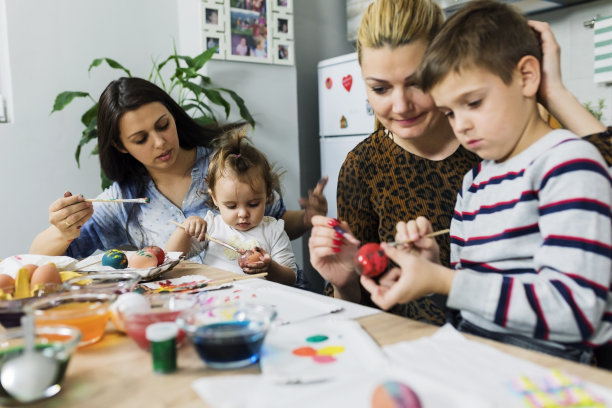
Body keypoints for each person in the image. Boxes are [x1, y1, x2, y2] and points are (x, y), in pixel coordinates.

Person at [309, 0, 611, 326]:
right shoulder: (370, 167)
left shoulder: (503, 147)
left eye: (416, 83)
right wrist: (346, 282)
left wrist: (553, 92)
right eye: (380, 88)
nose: (400, 106)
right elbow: (451, 292)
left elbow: (596, 175)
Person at [30, 77, 327, 262]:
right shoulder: (123, 199)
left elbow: (272, 222)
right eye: (140, 139)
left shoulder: (223, 166)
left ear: (173, 115)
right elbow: (37, 257)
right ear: (121, 147)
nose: (160, 142)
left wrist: (309, 218)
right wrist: (61, 229)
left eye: (163, 125)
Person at [166, 128, 297, 286]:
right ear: (214, 198)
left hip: (260, 303)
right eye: (231, 206)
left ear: (267, 194)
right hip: (217, 300)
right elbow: (172, 256)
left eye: (253, 204)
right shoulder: (212, 226)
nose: (242, 213)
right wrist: (184, 229)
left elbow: (290, 280)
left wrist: (271, 268)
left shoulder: (274, 231)